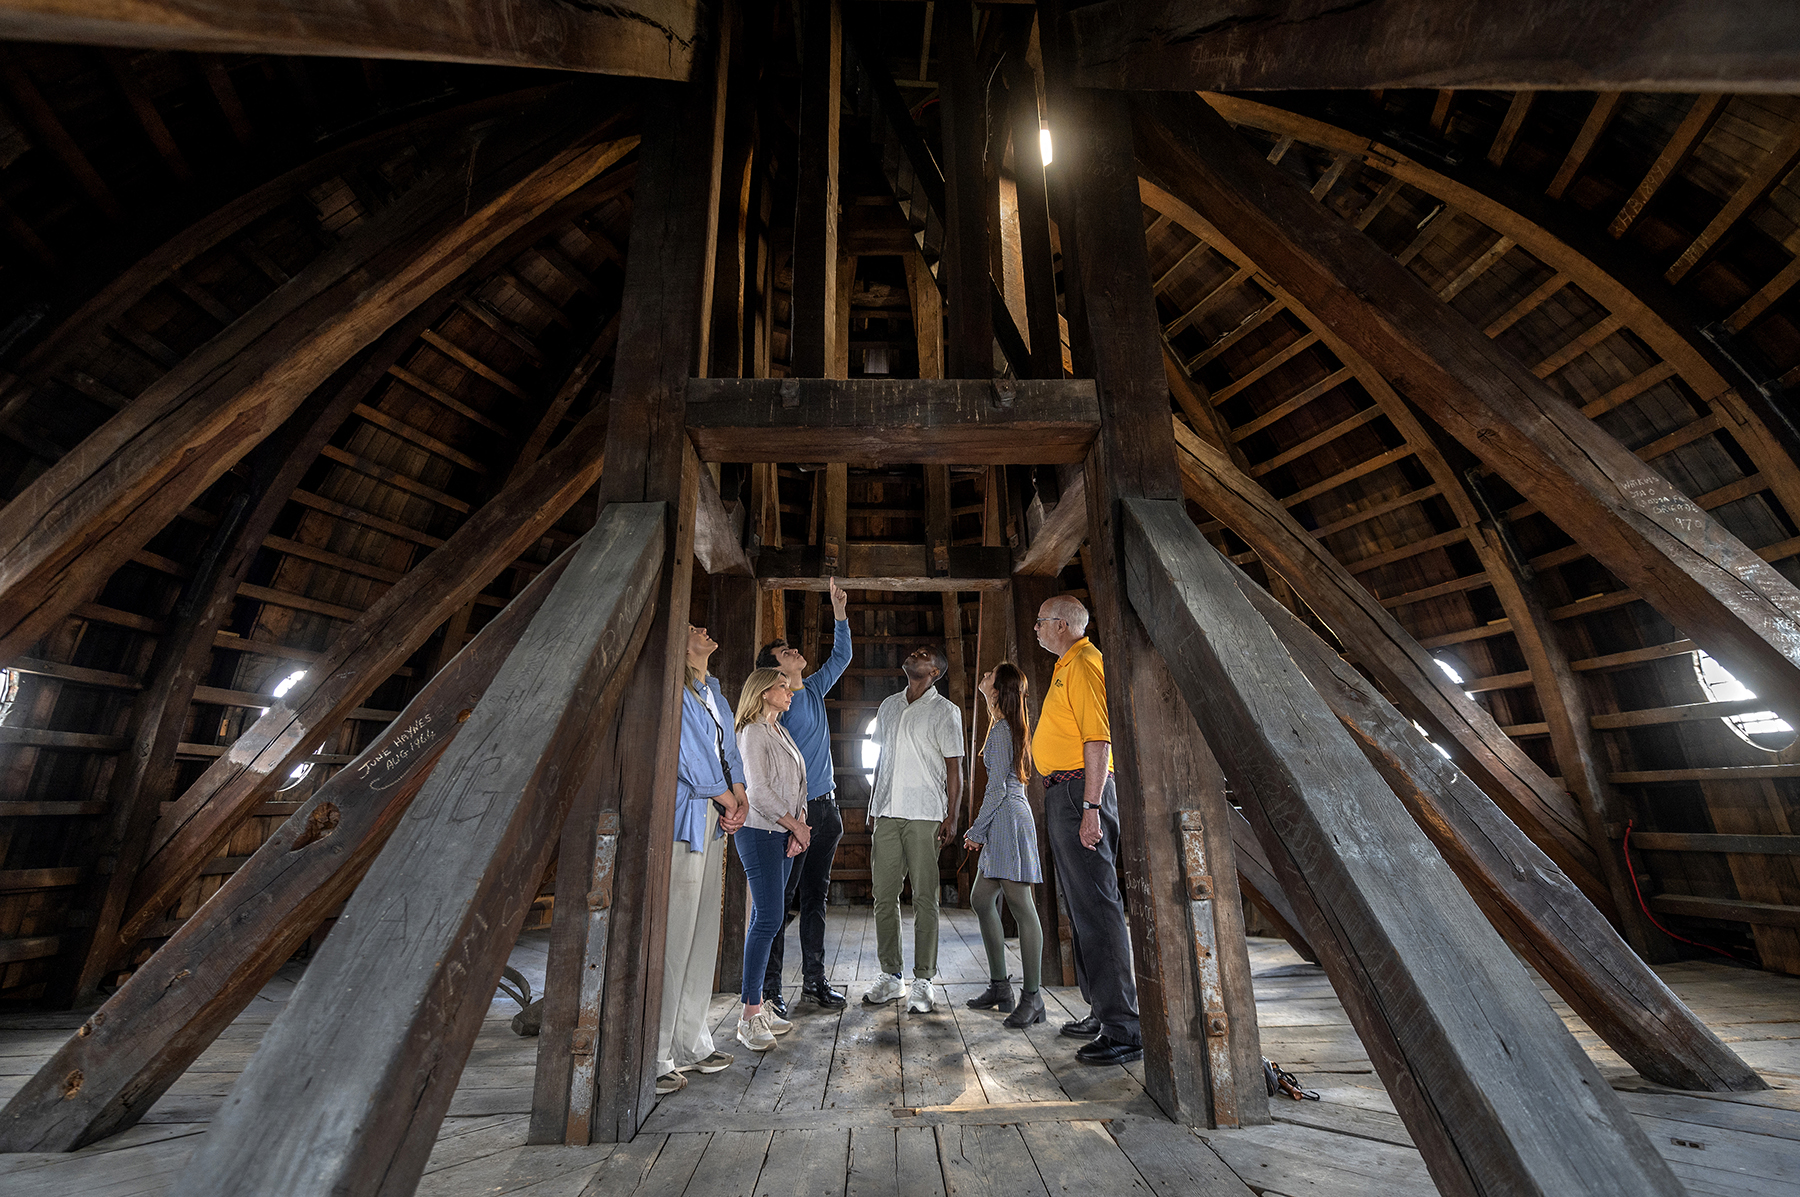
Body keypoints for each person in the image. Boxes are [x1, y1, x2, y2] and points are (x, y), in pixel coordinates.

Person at [1031, 595, 1142, 1065]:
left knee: (1098, 907)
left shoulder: (1083, 664)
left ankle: (1124, 1029)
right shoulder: (1066, 664)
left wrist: (1092, 806)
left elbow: (1098, 737)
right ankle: (1102, 1010)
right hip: (1067, 791)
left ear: (1060, 625)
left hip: (1082, 792)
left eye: (1039, 622)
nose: (1034, 628)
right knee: (1081, 909)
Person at [656, 625, 749, 1096]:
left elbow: (729, 749)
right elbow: (686, 751)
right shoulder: (671, 684)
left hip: (714, 819)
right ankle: (655, 1054)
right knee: (673, 937)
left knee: (701, 936)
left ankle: (691, 1041)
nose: (704, 631)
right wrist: (724, 796)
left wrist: (740, 795)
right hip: (684, 818)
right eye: (692, 628)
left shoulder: (712, 690)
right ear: (679, 644)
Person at [756, 577, 852, 1015]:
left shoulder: (811, 689)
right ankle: (770, 989)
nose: (792, 649)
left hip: (826, 809)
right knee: (779, 904)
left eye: (790, 647)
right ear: (775, 669)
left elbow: (842, 655)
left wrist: (839, 612)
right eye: (783, 650)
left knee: (816, 899)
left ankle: (815, 981)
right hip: (792, 818)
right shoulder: (773, 706)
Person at [862, 645, 964, 1014]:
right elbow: (881, 760)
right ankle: (891, 976)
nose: (915, 653)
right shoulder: (889, 706)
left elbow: (955, 768)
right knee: (883, 896)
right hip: (887, 813)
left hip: (925, 814)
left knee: (925, 897)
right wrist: (873, 806)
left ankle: (923, 980)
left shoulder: (945, 711)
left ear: (935, 671)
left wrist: (952, 815)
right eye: (914, 651)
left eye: (924, 653)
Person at [963, 662, 1046, 1029]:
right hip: (1004, 818)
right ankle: (1000, 986)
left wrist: (976, 830)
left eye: (989, 677)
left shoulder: (1001, 732)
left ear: (997, 690)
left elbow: (997, 789)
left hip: (1007, 818)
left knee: (1021, 905)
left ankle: (1032, 997)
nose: (983, 677)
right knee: (982, 899)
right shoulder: (1001, 726)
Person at [733, 668, 810, 1053]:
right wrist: (794, 824)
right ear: (764, 692)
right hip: (759, 831)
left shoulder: (780, 731)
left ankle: (759, 1005)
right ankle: (749, 1016)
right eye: (782, 685)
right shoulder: (751, 732)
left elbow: (798, 783)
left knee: (766, 918)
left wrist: (800, 826)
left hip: (781, 833)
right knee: (768, 919)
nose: (789, 690)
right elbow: (759, 791)